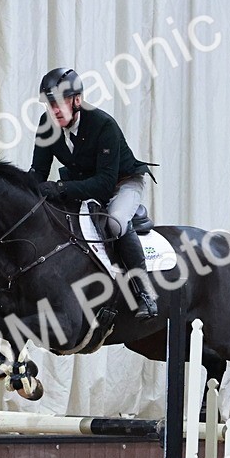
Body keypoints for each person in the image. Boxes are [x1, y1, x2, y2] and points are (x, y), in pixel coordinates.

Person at [29, 67, 158, 320]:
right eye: (49, 104)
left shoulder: (103, 124)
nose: (54, 110)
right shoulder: (47, 125)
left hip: (121, 182)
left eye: (59, 103)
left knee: (115, 222)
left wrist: (61, 188)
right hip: (83, 182)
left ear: (77, 100)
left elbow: (104, 185)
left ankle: (145, 293)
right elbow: (38, 172)